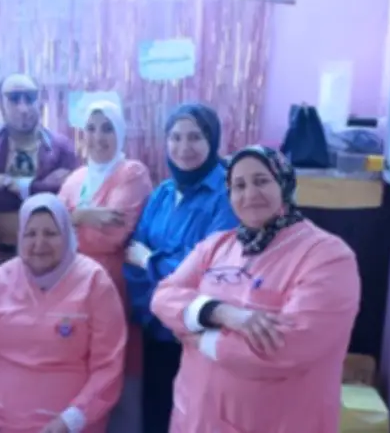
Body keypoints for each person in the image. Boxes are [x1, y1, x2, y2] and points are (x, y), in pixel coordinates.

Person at [150, 145, 361, 432]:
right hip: (195, 419)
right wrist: (221, 313)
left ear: (284, 183)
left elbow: (288, 347)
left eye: (261, 181)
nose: (250, 194)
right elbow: (163, 296)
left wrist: (200, 339)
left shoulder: (327, 256)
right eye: (239, 185)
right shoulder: (217, 246)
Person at [0, 193, 127, 433]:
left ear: (67, 234)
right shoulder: (1, 279)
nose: (39, 244)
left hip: (66, 424)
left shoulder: (95, 282)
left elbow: (108, 367)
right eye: (31, 234)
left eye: (50, 233)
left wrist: (71, 420)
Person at [122, 102, 240, 433]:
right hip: (157, 329)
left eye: (195, 137)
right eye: (175, 137)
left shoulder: (227, 195)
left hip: (200, 333)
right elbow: (131, 257)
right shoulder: (162, 193)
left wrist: (152, 260)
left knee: (195, 419)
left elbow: (210, 268)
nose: (183, 147)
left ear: (212, 140)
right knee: (156, 416)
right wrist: (154, 310)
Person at [58, 101, 153, 433]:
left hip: (113, 286)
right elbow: (54, 229)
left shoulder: (132, 173)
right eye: (91, 128)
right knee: (78, 370)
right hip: (71, 287)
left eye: (107, 128)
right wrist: (84, 215)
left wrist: (71, 219)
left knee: (116, 371)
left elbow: (111, 236)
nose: (98, 137)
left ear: (121, 132)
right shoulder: (75, 178)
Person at [0, 73, 79, 261]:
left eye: (30, 98)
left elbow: (66, 202)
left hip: (50, 256)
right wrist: (42, 188)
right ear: (1, 104)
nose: (23, 108)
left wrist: (16, 187)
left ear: (40, 101)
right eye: (14, 99)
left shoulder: (61, 147)